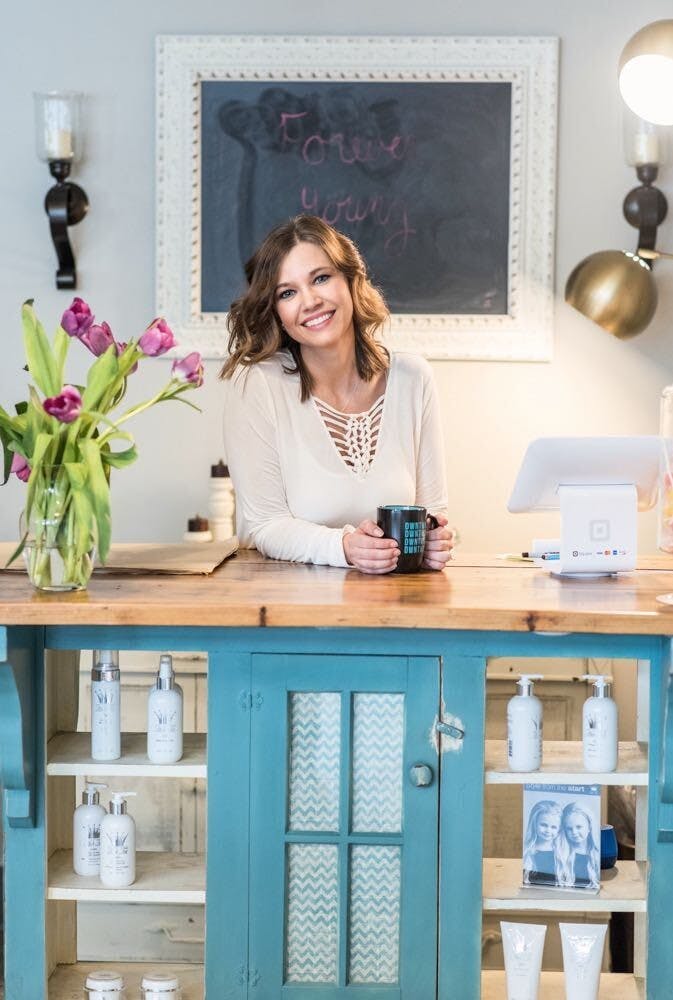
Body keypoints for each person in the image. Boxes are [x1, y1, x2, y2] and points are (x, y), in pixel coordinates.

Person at [220, 215, 455, 573]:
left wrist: (435, 543)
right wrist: (344, 547)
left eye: (321, 278)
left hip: (395, 606)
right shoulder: (258, 384)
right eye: (287, 292)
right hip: (284, 609)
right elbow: (264, 525)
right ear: (277, 312)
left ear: (351, 280)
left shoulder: (413, 379)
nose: (310, 301)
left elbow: (433, 513)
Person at [557, 803, 600, 890]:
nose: (574, 832)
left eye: (579, 827)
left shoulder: (597, 853)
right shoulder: (560, 854)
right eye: (569, 828)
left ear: (589, 827)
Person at [522, 800, 563, 887]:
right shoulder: (526, 851)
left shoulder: (562, 852)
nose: (548, 830)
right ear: (534, 824)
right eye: (544, 825)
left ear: (559, 829)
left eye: (553, 827)